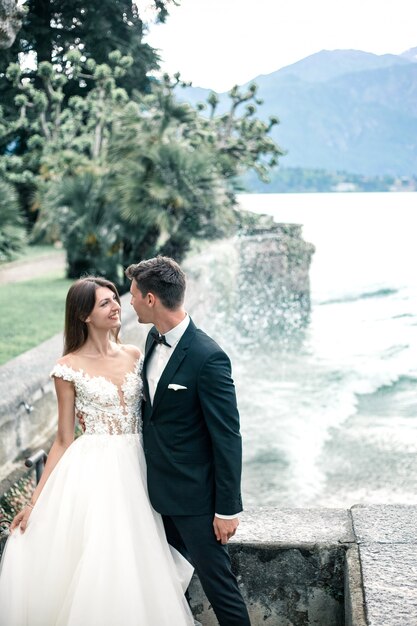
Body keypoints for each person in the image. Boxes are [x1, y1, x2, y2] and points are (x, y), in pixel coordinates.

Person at [0, 276, 194, 626]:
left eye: (114, 299)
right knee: (104, 556)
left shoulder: (136, 354)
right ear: (84, 315)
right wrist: (34, 502)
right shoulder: (68, 368)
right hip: (95, 472)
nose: (115, 306)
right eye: (104, 303)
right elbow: (62, 439)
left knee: (140, 556)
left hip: (140, 465)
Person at [126, 256, 251, 626]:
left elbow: (228, 436)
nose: (128, 302)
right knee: (157, 584)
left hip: (196, 501)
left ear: (151, 299)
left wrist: (227, 509)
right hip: (149, 493)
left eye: (133, 295)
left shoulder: (208, 357)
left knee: (220, 588)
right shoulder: (151, 338)